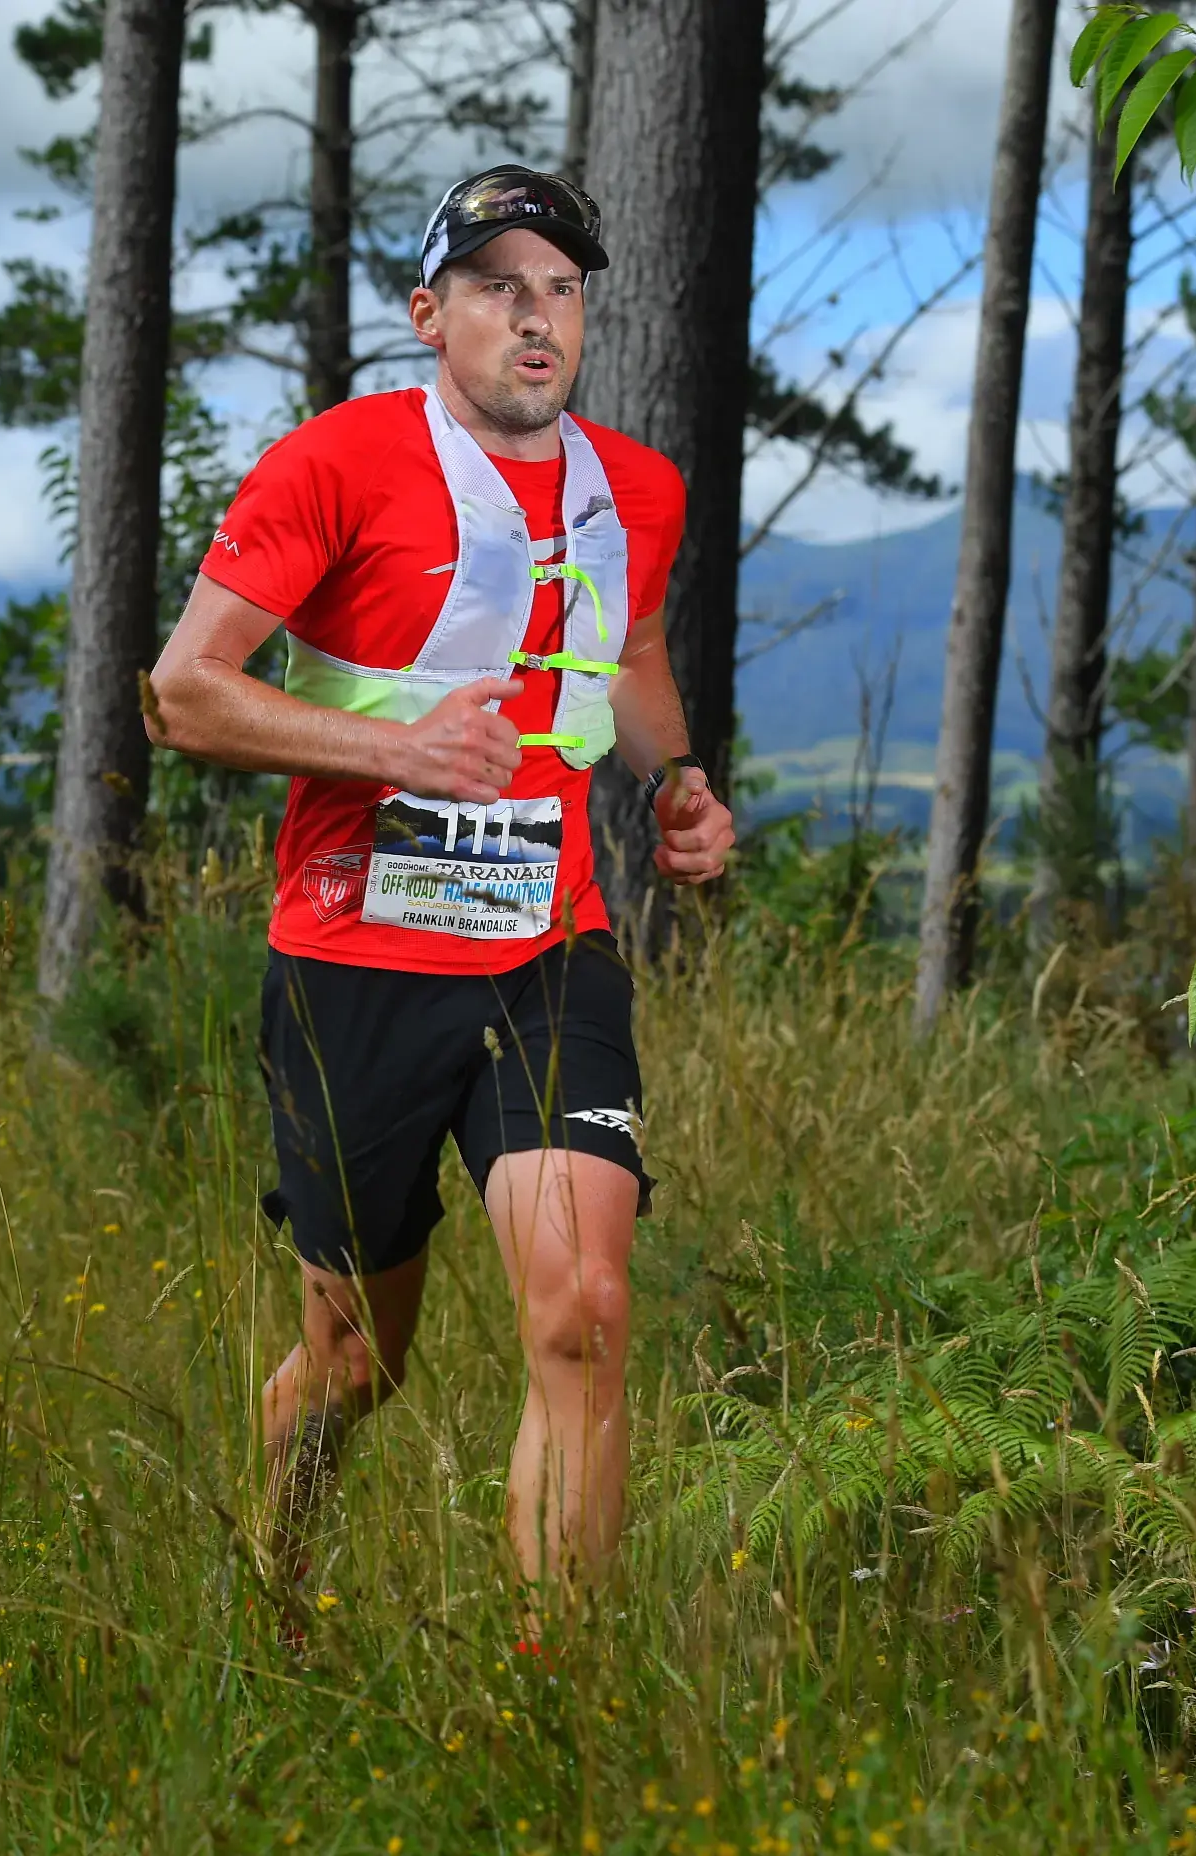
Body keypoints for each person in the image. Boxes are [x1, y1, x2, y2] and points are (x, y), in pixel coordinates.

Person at [144, 164, 735, 1639]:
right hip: (355, 958)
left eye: (561, 290)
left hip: (550, 945)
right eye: (496, 288)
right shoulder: (334, 467)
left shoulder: (634, 490)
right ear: (430, 315)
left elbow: (634, 652)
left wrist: (674, 781)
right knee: (355, 1367)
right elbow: (182, 696)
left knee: (585, 1316)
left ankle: (558, 1700)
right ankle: (280, 1574)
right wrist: (397, 750)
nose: (535, 320)